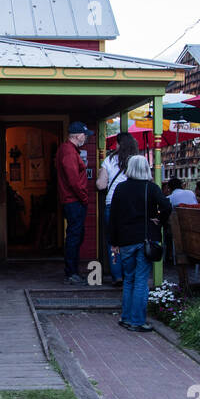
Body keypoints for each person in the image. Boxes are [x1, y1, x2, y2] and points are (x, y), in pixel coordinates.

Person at [109, 155, 170, 332]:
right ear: (146, 169)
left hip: (126, 240)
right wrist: (159, 220)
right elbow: (166, 206)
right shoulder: (151, 188)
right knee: (141, 281)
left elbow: (113, 217)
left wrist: (113, 241)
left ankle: (126, 317)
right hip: (146, 239)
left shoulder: (120, 188)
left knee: (129, 279)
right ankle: (137, 321)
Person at [97, 132, 140, 286]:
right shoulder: (137, 161)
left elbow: (101, 185)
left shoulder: (108, 160)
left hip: (112, 204)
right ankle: (130, 274)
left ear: (119, 144)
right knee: (131, 240)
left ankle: (117, 276)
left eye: (116, 143)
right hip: (133, 205)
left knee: (113, 242)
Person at [56, 121, 94, 284]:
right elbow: (73, 181)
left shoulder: (67, 150)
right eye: (84, 135)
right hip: (74, 201)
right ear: (78, 135)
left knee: (75, 235)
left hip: (71, 200)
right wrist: (84, 198)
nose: (85, 138)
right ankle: (71, 273)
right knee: (74, 236)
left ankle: (73, 272)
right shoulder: (69, 152)